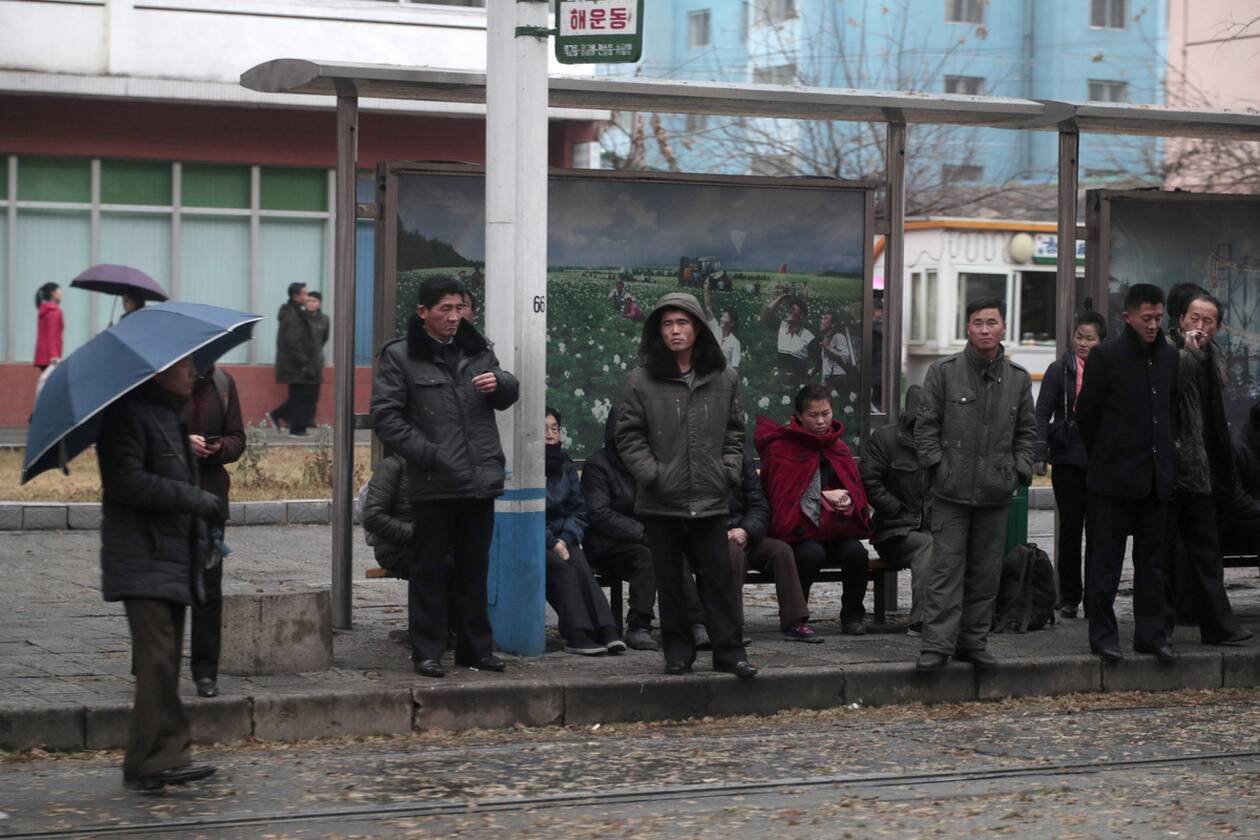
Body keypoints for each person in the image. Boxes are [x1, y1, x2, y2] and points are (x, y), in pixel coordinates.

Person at [370, 274, 519, 678]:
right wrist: (430, 455)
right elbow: (386, 418)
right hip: (433, 482)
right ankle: (428, 651)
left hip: (480, 478)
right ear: (423, 312)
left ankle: (476, 650)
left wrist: (501, 383)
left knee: (474, 569)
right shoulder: (400, 356)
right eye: (445, 309)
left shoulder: (477, 347)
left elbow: (506, 394)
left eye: (460, 308)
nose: (455, 317)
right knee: (430, 571)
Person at [97, 355, 224, 792]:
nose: (193, 372)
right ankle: (164, 757)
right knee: (157, 660)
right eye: (183, 365)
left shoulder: (170, 416)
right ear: (157, 370)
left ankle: (144, 763)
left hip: (171, 557)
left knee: (164, 661)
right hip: (142, 556)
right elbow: (126, 481)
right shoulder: (126, 416)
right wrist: (192, 498)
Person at [616, 291, 757, 678]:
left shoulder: (725, 377)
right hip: (661, 500)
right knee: (671, 582)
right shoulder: (640, 380)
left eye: (682, 323)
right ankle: (677, 653)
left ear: (697, 329)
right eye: (667, 324)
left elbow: (735, 432)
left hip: (711, 497)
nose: (675, 331)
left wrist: (727, 471)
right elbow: (628, 435)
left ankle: (730, 653)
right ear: (658, 331)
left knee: (719, 578)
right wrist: (653, 475)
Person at [915, 297, 1036, 672]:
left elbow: (1027, 433)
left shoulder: (1018, 379)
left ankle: (973, 642)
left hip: (995, 492)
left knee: (986, 574)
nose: (985, 330)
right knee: (945, 571)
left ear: (1004, 327)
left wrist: (1017, 472)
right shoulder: (943, 371)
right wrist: (939, 467)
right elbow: (926, 427)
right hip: (950, 492)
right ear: (967, 328)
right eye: (978, 323)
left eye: (992, 323)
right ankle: (937, 645)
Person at [1075, 283, 1179, 663]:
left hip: (1155, 479)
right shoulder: (1106, 357)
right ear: (1128, 317)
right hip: (1112, 479)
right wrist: (1106, 454)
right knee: (1106, 562)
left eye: (1158, 317)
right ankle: (1103, 635)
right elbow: (1086, 415)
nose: (1152, 325)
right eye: (1146, 318)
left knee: (1152, 564)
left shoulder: (1169, 356)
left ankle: (1151, 634)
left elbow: (1169, 411)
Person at [1165, 293, 1253, 645]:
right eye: (1195, 318)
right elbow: (1171, 388)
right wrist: (1190, 353)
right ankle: (1160, 625)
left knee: (1207, 552)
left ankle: (1218, 626)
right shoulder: (1171, 352)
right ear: (1182, 319)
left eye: (1208, 321)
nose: (1200, 327)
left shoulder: (1214, 357)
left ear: (1217, 327)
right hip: (1175, 469)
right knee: (1163, 552)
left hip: (1205, 469)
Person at [756, 384, 872, 637]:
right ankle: (796, 617)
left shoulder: (837, 447)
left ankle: (852, 616)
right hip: (798, 532)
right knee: (811, 554)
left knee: (856, 553)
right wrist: (822, 496)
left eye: (826, 413)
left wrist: (848, 500)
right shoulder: (782, 448)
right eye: (813, 415)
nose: (821, 421)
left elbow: (854, 487)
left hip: (835, 528)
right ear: (799, 415)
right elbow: (781, 497)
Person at [1033, 311, 1106, 620]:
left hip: (1100, 461)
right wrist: (1039, 451)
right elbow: (1041, 412)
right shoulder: (1058, 369)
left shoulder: (1108, 369)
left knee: (1099, 532)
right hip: (1066, 459)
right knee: (1070, 531)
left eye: (1089, 338)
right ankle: (1069, 597)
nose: (1082, 343)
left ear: (1101, 341)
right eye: (1079, 336)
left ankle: (1095, 598)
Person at [182, 364, 245, 699]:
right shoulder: (157, 382)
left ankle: (206, 673)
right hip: (168, 499)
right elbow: (146, 435)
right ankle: (151, 666)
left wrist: (219, 447)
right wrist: (181, 443)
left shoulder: (221, 383)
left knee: (208, 588)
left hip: (210, 500)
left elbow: (238, 439)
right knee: (163, 586)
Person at [544, 408, 625, 656]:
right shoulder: (525, 468)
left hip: (563, 536)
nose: (549, 434)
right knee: (561, 567)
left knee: (579, 561)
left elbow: (578, 509)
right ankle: (576, 633)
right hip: (535, 538)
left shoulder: (565, 464)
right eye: (543, 429)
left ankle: (606, 628)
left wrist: (566, 538)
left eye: (554, 428)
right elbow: (528, 513)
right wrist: (552, 542)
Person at [581, 406, 661, 651]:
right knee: (646, 557)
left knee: (672, 551)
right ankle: (638, 625)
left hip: (644, 537)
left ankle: (695, 622)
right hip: (607, 544)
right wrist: (641, 532)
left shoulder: (646, 462)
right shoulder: (598, 464)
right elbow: (598, 513)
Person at [859, 385, 931, 636]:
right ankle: (922, 620)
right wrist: (894, 508)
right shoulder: (885, 439)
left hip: (935, 527)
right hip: (894, 531)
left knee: (959, 543)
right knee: (928, 546)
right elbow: (868, 480)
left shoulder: (943, 441)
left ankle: (965, 617)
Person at [268, 282, 321, 438]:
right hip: (296, 365)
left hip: (297, 364)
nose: (307, 297)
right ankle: (296, 429)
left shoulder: (296, 312)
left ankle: (280, 416)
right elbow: (294, 342)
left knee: (301, 396)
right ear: (296, 296)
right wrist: (304, 363)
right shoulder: (292, 315)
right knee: (300, 397)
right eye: (305, 294)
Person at [362, 453, 415, 575]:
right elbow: (372, 517)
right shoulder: (391, 466)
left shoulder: (441, 463)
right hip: (398, 550)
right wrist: (418, 534)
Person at [760, 291, 815, 394]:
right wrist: (780, 299)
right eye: (789, 308)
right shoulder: (782, 326)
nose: (789, 311)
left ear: (801, 316)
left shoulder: (808, 336)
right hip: (780, 382)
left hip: (798, 386)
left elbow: (820, 360)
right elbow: (766, 315)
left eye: (793, 309)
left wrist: (810, 375)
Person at [702, 281, 742, 369]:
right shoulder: (716, 329)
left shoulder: (735, 343)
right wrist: (706, 291)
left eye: (724, 317)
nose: (721, 319)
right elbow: (708, 309)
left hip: (724, 375)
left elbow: (735, 368)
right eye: (722, 316)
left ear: (732, 323)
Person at [818, 312, 856, 398]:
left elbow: (846, 358)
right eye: (822, 318)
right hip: (829, 380)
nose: (821, 321)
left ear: (833, 324)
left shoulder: (838, 336)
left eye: (825, 318)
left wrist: (828, 347)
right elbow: (826, 363)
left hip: (839, 379)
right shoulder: (826, 338)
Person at [34, 282, 64, 371]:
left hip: (43, 356)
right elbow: (53, 335)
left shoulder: (45, 310)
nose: (61, 294)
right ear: (53, 294)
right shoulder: (54, 311)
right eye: (59, 291)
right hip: (50, 357)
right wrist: (54, 356)